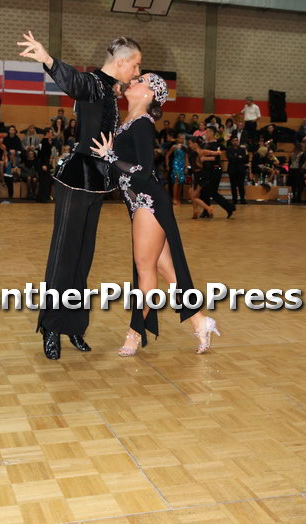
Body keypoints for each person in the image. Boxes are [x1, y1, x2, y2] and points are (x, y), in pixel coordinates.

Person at [17, 30, 142, 360]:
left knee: (83, 257)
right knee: (64, 255)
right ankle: (51, 327)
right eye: (136, 65)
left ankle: (73, 325)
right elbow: (74, 83)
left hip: (97, 179)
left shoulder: (110, 92)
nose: (137, 72)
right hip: (76, 179)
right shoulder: (93, 83)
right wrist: (47, 59)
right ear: (121, 62)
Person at [91, 73, 220, 356]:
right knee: (165, 269)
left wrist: (110, 156)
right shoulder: (128, 121)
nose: (133, 81)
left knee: (144, 269)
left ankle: (134, 333)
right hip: (140, 202)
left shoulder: (142, 124)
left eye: (140, 81)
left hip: (147, 203)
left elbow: (144, 169)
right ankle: (200, 321)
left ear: (149, 94)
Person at [166, 134, 188, 206]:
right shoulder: (174, 147)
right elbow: (167, 155)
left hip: (182, 165)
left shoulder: (184, 147)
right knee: (176, 181)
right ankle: (174, 198)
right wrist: (167, 164)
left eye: (183, 138)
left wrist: (186, 167)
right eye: (181, 138)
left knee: (181, 182)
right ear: (178, 139)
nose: (182, 140)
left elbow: (186, 158)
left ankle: (178, 198)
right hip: (176, 164)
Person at [226, 137, 248, 206]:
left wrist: (235, 156)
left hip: (241, 170)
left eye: (236, 140)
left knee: (241, 185)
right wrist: (238, 157)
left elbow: (244, 159)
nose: (235, 142)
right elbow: (230, 158)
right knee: (233, 186)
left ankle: (242, 199)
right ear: (231, 142)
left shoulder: (242, 149)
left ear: (238, 141)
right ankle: (234, 199)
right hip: (232, 170)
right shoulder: (229, 149)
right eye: (234, 141)